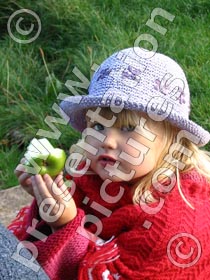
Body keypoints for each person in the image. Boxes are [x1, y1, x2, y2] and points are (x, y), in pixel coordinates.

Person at [8, 47, 210, 280]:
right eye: (98, 126)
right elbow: (30, 249)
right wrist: (45, 204)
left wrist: (65, 226)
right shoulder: (92, 178)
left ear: (173, 140)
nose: (108, 141)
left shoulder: (174, 224)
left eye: (128, 129)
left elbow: (106, 274)